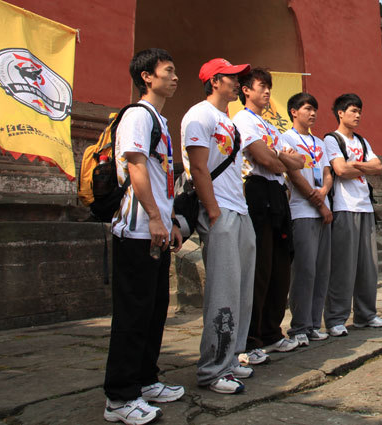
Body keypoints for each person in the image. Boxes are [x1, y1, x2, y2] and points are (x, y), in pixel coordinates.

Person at [103, 49, 184, 425]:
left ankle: (146, 380)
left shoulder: (160, 120)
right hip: (136, 230)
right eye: (168, 71)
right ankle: (120, 397)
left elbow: (161, 176)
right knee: (133, 314)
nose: (175, 77)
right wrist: (153, 217)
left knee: (154, 310)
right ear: (147, 77)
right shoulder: (137, 115)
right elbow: (136, 167)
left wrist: (170, 222)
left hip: (156, 231)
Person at [181, 58, 254, 394]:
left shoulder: (229, 122)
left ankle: (231, 356)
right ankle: (213, 368)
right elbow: (198, 167)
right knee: (223, 289)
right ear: (214, 81)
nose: (238, 83)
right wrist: (211, 209)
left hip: (238, 208)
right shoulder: (199, 115)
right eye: (232, 77)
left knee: (241, 288)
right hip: (219, 210)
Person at [233, 68, 305, 361]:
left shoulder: (271, 126)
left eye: (269, 87)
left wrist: (278, 158)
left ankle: (272, 332)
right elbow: (263, 159)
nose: (267, 92)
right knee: (260, 266)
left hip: (278, 194)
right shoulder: (242, 119)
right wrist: (280, 158)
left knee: (280, 264)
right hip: (256, 191)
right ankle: (250, 339)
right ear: (246, 90)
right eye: (262, 86)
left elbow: (299, 161)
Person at [323, 93, 382, 335]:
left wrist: (355, 165)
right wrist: (363, 167)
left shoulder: (362, 141)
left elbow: (378, 167)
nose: (358, 115)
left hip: (365, 207)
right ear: (340, 113)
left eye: (360, 111)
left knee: (368, 266)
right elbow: (340, 170)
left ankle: (366, 314)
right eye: (353, 111)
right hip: (344, 207)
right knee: (343, 266)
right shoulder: (332, 139)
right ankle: (336, 319)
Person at [281, 92, 334, 343]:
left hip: (323, 210)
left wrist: (324, 192)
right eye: (307, 109)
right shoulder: (286, 139)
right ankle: (299, 327)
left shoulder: (319, 143)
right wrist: (318, 202)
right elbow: (294, 174)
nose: (312, 113)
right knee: (304, 271)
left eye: (314, 109)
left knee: (321, 271)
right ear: (294, 112)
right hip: (302, 211)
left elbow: (327, 172)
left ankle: (313, 324)